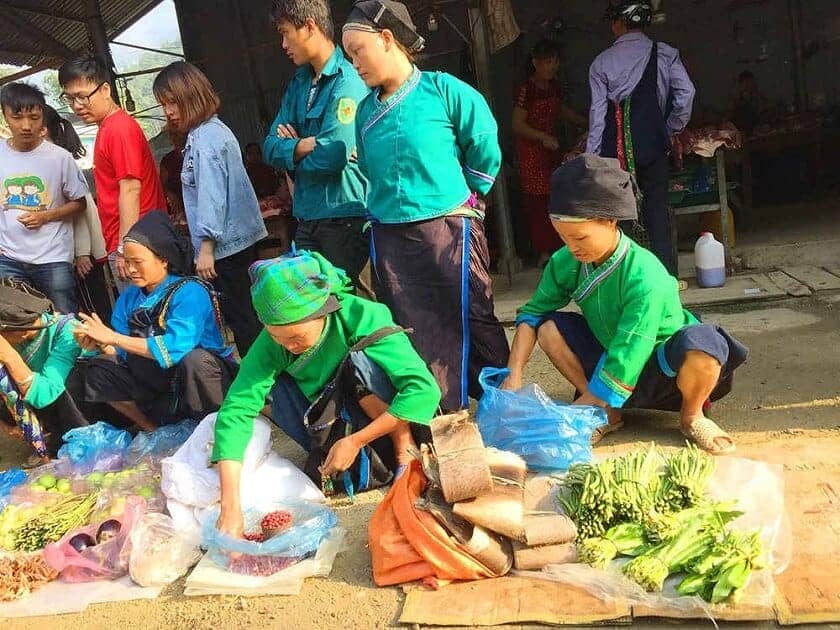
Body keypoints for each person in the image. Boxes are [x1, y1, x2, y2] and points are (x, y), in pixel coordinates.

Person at [505, 154, 747, 454]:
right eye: (563, 238)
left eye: (580, 237)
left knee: (704, 344)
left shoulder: (645, 273)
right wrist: (513, 374)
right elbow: (532, 313)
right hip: (609, 354)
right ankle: (607, 412)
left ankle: (691, 415)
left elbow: (634, 344)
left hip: (663, 368)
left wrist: (570, 416)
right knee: (549, 327)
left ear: (610, 221)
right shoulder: (566, 262)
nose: (572, 248)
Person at [342, 0, 510, 412]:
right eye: (348, 57)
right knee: (414, 326)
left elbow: (484, 142)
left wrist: (469, 195)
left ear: (386, 39)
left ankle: (500, 403)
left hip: (449, 230)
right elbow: (367, 165)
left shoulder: (444, 90)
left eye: (358, 51)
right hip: (391, 237)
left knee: (473, 315)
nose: (354, 64)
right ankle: (442, 414)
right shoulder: (364, 112)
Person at [212, 249, 441, 538]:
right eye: (276, 337)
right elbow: (236, 410)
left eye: (296, 337)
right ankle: (337, 449)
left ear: (324, 311)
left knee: (360, 362)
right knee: (262, 389)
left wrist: (356, 441)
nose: (288, 346)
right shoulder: (273, 343)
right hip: (325, 415)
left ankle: (403, 448)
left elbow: (422, 390)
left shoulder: (362, 316)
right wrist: (230, 506)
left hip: (379, 408)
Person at [73, 211, 237, 432]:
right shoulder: (129, 298)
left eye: (138, 262)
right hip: (154, 385)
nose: (130, 269)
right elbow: (120, 354)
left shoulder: (190, 291)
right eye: (127, 262)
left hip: (196, 383)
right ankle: (151, 430)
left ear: (163, 259)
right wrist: (99, 344)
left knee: (195, 360)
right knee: (98, 369)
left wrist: (113, 337)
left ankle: (213, 430)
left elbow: (177, 348)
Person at [153, 61, 268, 356]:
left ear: (191, 96)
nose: (167, 111)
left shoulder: (204, 139)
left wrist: (205, 247)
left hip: (225, 247)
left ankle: (263, 389)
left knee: (242, 320)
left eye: (172, 102)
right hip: (237, 241)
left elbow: (211, 195)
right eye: (163, 104)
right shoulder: (215, 131)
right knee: (250, 315)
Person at [264, 0, 372, 295]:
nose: (283, 44)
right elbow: (269, 147)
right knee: (314, 309)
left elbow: (333, 155)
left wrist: (291, 153)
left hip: (344, 217)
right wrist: (303, 146)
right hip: (308, 218)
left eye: (286, 33)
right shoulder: (298, 84)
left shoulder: (347, 82)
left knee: (351, 308)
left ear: (310, 26)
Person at [587, 1, 696, 277]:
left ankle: (625, 280)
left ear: (620, 24)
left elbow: (598, 117)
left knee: (620, 215)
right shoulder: (665, 54)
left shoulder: (601, 63)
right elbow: (686, 95)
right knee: (657, 210)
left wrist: (592, 158)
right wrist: (670, 128)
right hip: (654, 145)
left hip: (616, 151)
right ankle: (667, 278)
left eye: (613, 21)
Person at [58, 55, 167, 290]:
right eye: (70, 98)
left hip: (139, 244)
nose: (77, 105)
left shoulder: (118, 129)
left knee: (145, 318)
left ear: (105, 89)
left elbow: (130, 189)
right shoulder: (108, 128)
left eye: (83, 96)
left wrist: (123, 249)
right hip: (139, 242)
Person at [0, 83, 88, 314]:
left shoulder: (60, 158)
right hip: (8, 258)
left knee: (64, 320)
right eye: (17, 117)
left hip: (53, 257)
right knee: (18, 323)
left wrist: (45, 216)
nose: (26, 125)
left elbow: (80, 203)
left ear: (42, 115)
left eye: (34, 117)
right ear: (5, 115)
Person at [513, 39, 587, 267]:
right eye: (547, 62)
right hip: (532, 154)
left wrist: (583, 121)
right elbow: (517, 124)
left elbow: (559, 110)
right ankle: (544, 252)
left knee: (558, 197)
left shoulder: (554, 86)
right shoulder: (527, 90)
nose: (552, 66)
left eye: (555, 61)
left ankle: (561, 247)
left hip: (552, 150)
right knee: (538, 202)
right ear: (535, 63)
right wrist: (542, 137)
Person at [0, 279, 88, 462]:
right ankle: (42, 439)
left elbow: (46, 393)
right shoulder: (12, 337)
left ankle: (67, 441)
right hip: (32, 397)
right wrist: (6, 427)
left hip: (71, 399)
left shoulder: (67, 331)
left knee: (68, 386)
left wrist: (9, 355)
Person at [40, 104, 113, 322]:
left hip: (81, 252)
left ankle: (108, 351)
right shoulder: (48, 158)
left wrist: (82, 252)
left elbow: (80, 208)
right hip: (75, 251)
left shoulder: (57, 159)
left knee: (93, 308)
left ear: (43, 129)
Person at [159, 128, 189, 235]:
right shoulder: (168, 161)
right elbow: (163, 188)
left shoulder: (196, 152)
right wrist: (169, 195)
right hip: (179, 213)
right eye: (173, 135)